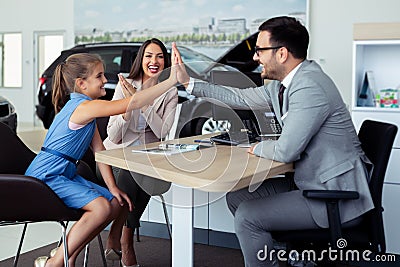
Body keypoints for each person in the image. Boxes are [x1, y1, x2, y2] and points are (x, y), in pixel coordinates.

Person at [173, 16, 374, 267]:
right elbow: (241, 98)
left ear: (281, 54)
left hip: (335, 195)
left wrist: (256, 147)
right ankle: (285, 258)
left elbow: (286, 150)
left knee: (248, 216)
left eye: (259, 50)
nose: (255, 57)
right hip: (310, 181)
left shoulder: (309, 86)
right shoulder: (283, 85)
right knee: (237, 198)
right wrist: (189, 83)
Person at [26, 48, 179, 267]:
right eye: (99, 76)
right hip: (48, 175)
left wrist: (113, 188)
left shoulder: (86, 110)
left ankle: (64, 255)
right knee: (100, 208)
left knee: (114, 203)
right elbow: (132, 103)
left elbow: (100, 153)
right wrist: (171, 79)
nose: (104, 80)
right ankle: (55, 263)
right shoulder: (84, 107)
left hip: (64, 174)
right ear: (81, 84)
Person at [103, 38, 178, 267]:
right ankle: (126, 240)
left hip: (145, 159)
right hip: (113, 159)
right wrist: (127, 107)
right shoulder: (123, 85)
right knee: (132, 172)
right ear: (141, 59)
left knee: (140, 170)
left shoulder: (169, 91)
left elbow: (163, 132)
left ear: (165, 62)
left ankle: (120, 233)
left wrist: (140, 102)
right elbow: (113, 136)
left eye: (159, 56)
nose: (154, 61)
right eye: (148, 56)